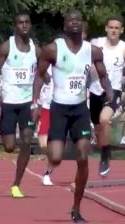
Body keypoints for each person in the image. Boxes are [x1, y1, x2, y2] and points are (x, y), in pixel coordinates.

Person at [31, 10, 113, 222]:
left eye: (78, 20)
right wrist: (35, 102)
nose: (75, 23)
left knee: (83, 157)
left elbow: (103, 76)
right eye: (70, 21)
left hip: (80, 111)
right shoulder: (52, 49)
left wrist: (110, 95)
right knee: (56, 158)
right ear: (65, 26)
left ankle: (76, 208)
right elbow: (39, 76)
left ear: (82, 25)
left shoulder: (93, 51)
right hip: (59, 109)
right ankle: (55, 152)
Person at [0, 13, 40, 198]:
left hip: (27, 103)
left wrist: (36, 101)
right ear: (15, 25)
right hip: (8, 102)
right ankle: (2, 127)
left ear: (30, 25)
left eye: (27, 22)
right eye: (20, 23)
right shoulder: (7, 46)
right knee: (9, 147)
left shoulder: (36, 49)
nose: (24, 25)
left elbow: (40, 75)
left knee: (26, 140)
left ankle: (16, 184)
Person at [89, 16, 125, 176]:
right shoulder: (95, 44)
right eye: (111, 27)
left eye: (116, 28)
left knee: (104, 119)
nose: (113, 30)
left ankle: (105, 156)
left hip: (113, 91)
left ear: (121, 30)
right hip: (94, 91)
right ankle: (103, 148)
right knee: (99, 128)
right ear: (106, 28)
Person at [37, 25, 89, 187]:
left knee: (79, 147)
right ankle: (52, 163)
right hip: (49, 107)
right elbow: (38, 77)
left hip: (72, 107)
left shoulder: (78, 59)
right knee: (44, 144)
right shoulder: (49, 62)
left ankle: (51, 171)